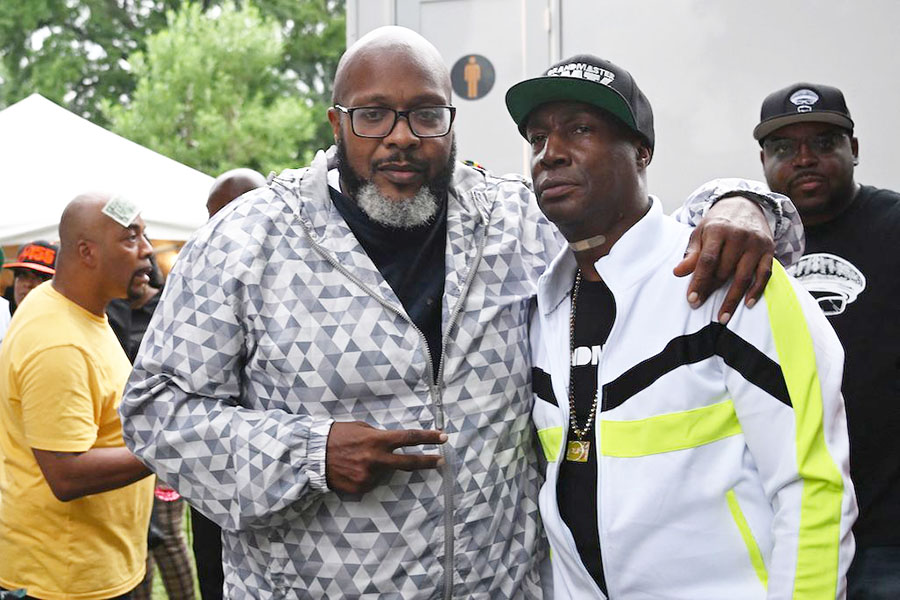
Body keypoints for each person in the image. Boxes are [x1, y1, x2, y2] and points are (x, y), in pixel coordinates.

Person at [119, 27, 800, 598]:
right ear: (336, 123)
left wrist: (742, 201)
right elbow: (155, 411)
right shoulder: (247, 240)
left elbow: (651, 231)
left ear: (450, 121)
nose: (401, 137)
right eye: (373, 114)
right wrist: (310, 452)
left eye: (425, 114)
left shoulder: (516, 223)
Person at [510, 55, 857, 598]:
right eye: (536, 138)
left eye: (580, 129)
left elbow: (814, 490)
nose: (550, 154)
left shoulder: (731, 277)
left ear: (642, 152)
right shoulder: (540, 305)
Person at [754, 82, 900, 599]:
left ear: (854, 150)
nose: (805, 159)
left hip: (888, 529)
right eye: (785, 149)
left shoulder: (893, 225)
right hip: (784, 520)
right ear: (764, 162)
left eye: (823, 142)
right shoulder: (749, 244)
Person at [0, 193, 155, 599]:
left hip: (94, 565)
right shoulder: (57, 340)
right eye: (131, 238)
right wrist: (169, 447)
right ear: (87, 251)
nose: (147, 251)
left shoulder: (79, 312)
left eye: (145, 235)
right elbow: (66, 473)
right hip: (63, 580)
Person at [190, 167, 268, 600]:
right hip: (211, 479)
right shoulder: (198, 278)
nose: (220, 227)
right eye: (212, 216)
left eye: (231, 213)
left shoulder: (290, 275)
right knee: (213, 579)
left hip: (273, 474)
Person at [107, 258, 197, 600]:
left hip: (161, 435)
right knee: (136, 538)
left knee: (168, 534)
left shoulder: (167, 305)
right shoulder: (108, 309)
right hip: (116, 442)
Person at [2, 240, 58, 315]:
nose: (27, 283)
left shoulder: (66, 323)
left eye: (40, 277)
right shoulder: (5, 318)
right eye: (21, 275)